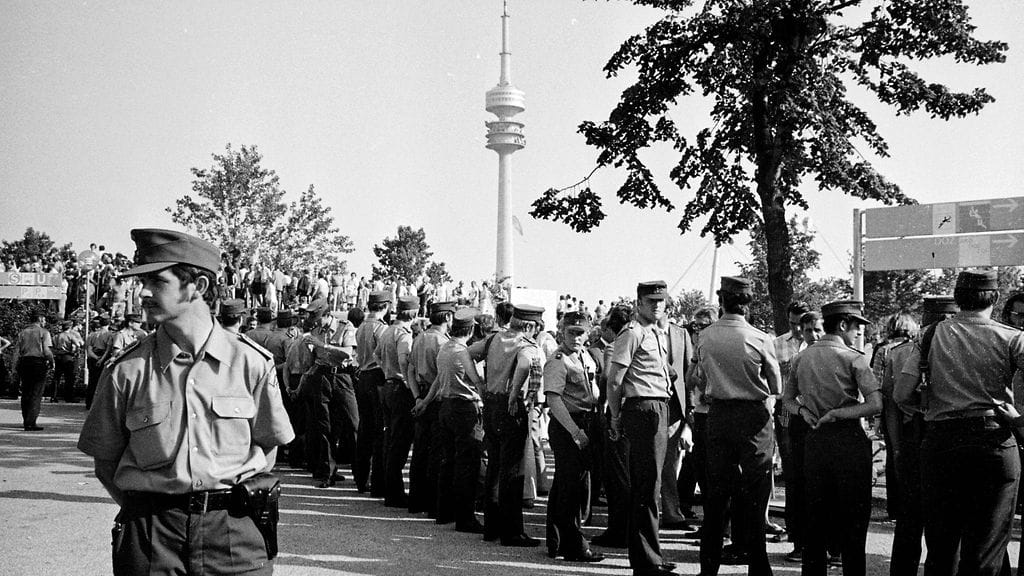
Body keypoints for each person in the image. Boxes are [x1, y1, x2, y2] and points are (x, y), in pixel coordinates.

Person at [77, 228, 294, 575]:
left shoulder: (250, 363)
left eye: (157, 281)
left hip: (234, 532)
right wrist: (157, 509)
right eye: (142, 282)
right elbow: (105, 463)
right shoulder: (127, 370)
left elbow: (268, 447)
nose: (142, 292)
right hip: (152, 535)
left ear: (198, 286)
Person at [895, 270, 1024, 576]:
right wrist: (1019, 418)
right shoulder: (1013, 338)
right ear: (995, 298)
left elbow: (901, 394)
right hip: (993, 442)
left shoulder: (930, 334)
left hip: (941, 444)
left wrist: (930, 409)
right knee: (986, 552)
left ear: (957, 298)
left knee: (941, 550)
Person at [784, 300, 882, 576]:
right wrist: (840, 413)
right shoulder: (854, 358)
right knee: (853, 522)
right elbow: (875, 404)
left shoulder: (802, 357)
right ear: (842, 325)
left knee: (815, 519)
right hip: (849, 440)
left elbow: (787, 399)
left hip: (815, 439)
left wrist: (804, 411)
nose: (858, 332)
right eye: (856, 327)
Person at [694, 276, 780, 576]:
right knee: (756, 496)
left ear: (721, 301)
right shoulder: (760, 338)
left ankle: (708, 569)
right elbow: (776, 385)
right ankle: (758, 567)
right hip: (754, 417)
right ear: (748, 303)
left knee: (716, 498)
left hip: (719, 415)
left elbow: (699, 377)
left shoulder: (705, 336)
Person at [606, 280, 676, 576]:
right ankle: (646, 561)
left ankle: (651, 555)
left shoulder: (654, 332)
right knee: (647, 486)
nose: (657, 306)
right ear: (639, 304)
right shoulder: (633, 332)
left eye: (661, 301)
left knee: (652, 485)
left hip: (657, 406)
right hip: (643, 408)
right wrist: (615, 416)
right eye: (651, 301)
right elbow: (614, 380)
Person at [887, 296, 956, 576]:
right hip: (948, 435)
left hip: (912, 436)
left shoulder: (899, 352)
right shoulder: (960, 348)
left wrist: (895, 447)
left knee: (909, 518)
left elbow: (892, 404)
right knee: (947, 518)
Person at [470, 304, 545, 546]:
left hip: (491, 403)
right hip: (511, 407)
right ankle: (511, 531)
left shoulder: (493, 339)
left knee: (494, 466)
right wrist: (514, 393)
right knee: (512, 470)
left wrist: (479, 383)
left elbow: (465, 353)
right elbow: (524, 365)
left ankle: (492, 527)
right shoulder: (526, 345)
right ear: (530, 325)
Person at [544, 311, 605, 563]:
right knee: (571, 489)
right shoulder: (558, 360)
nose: (576, 338)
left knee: (566, 485)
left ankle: (557, 541)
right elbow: (553, 399)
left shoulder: (584, 356)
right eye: (571, 332)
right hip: (568, 425)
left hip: (584, 421)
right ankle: (575, 547)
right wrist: (575, 432)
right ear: (562, 332)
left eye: (581, 333)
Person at [426, 308, 486, 532]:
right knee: (467, 465)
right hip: (465, 409)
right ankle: (465, 518)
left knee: (448, 461)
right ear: (471, 330)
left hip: (446, 406)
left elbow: (438, 379)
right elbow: (478, 381)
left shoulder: (445, 348)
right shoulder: (464, 353)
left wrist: (425, 401)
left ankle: (444, 511)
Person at [407, 301, 454, 516]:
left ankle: (416, 501)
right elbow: (440, 377)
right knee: (437, 452)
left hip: (421, 395)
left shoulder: (419, 337)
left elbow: (409, 369)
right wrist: (425, 400)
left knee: (420, 450)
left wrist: (417, 397)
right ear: (447, 318)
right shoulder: (443, 342)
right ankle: (433, 503)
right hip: (435, 399)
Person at [304, 304, 359, 488]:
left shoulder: (345, 327)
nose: (315, 322)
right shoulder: (315, 331)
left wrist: (323, 345)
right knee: (325, 427)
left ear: (327, 315)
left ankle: (360, 473)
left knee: (353, 423)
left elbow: (348, 352)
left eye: (318, 318)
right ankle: (328, 472)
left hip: (341, 376)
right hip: (322, 377)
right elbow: (313, 359)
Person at [771, 301, 810, 554]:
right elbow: (767, 375)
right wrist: (780, 370)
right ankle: (793, 528)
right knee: (792, 468)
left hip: (812, 408)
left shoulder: (816, 341)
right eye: (793, 324)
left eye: (801, 324)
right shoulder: (777, 343)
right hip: (787, 408)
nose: (797, 330)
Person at [377, 294, 419, 507]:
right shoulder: (404, 335)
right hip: (400, 388)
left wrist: (386, 369)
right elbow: (404, 361)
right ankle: (395, 494)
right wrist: (410, 384)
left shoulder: (387, 331)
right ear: (414, 313)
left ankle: (389, 489)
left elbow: (376, 355)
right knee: (400, 443)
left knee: (391, 440)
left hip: (387, 385)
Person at [353, 291, 391, 495]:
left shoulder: (361, 327)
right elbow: (384, 356)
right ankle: (377, 481)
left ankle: (360, 477)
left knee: (365, 428)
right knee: (379, 430)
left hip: (363, 377)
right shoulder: (381, 328)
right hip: (377, 376)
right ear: (385, 306)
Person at [12, 311, 54, 431]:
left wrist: (14, 367)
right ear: (40, 319)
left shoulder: (22, 333)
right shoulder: (44, 332)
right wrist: (52, 361)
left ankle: (26, 419)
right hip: (38, 363)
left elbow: (16, 352)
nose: (45, 322)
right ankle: (31, 422)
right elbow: (46, 350)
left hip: (25, 363)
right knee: (36, 393)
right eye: (44, 320)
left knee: (26, 392)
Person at [84, 316, 112, 409]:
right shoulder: (109, 335)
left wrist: (95, 357)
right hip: (104, 357)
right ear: (109, 324)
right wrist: (101, 359)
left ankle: (89, 403)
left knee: (92, 381)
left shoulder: (92, 334)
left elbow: (89, 349)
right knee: (102, 381)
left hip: (92, 358)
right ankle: (99, 404)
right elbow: (108, 349)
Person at [51, 321, 80, 403]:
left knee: (57, 377)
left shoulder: (56, 336)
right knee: (69, 378)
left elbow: (51, 347)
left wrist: (56, 352)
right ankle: (68, 397)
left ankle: (53, 396)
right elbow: (78, 345)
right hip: (67, 356)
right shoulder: (70, 335)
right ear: (70, 327)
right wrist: (75, 352)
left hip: (58, 357)